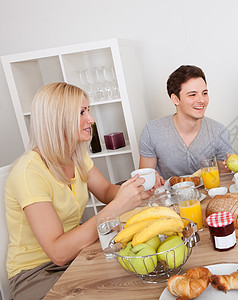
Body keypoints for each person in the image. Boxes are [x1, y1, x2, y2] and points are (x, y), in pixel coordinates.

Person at [5, 82, 152, 299]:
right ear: (57, 119)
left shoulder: (76, 155)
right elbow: (57, 252)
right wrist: (117, 206)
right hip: (36, 274)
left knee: (135, 279)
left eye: (88, 110)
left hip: (76, 255)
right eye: (81, 112)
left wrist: (136, 188)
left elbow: (105, 191)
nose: (91, 120)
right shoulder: (28, 172)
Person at [139, 65, 232, 180]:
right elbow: (145, 180)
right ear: (175, 99)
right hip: (169, 196)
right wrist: (151, 179)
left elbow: (225, 178)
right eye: (192, 95)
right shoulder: (152, 131)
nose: (201, 100)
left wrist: (229, 168)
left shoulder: (219, 131)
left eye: (204, 93)